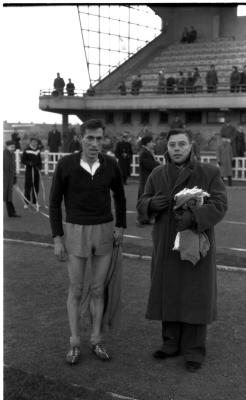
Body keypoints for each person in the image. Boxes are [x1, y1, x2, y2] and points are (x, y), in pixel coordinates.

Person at [137, 128, 227, 372]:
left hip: (196, 245)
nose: (176, 149)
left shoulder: (208, 172)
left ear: (191, 146)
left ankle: (194, 351)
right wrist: (150, 205)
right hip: (166, 244)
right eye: (172, 145)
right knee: (170, 292)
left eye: (181, 144)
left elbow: (220, 204)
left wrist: (194, 217)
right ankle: (170, 344)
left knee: (195, 295)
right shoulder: (157, 173)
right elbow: (141, 203)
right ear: (166, 148)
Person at [49, 119, 126, 365]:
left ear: (104, 139)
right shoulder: (66, 164)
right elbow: (54, 202)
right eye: (90, 138)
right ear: (81, 138)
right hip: (75, 231)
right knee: (76, 289)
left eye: (99, 138)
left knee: (97, 289)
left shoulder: (111, 164)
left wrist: (120, 226)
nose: (95, 143)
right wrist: (57, 238)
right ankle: (74, 342)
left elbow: (121, 197)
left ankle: (96, 339)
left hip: (103, 229)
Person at [136, 136, 160, 225]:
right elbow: (149, 165)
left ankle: (148, 218)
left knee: (148, 199)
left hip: (147, 179)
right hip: (146, 180)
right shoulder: (144, 153)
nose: (153, 143)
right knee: (145, 199)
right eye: (151, 142)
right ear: (147, 143)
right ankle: (142, 219)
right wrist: (158, 163)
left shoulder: (147, 152)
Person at [21, 138, 42, 208]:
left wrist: (40, 167)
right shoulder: (27, 150)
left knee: (36, 187)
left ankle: (34, 202)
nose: (35, 143)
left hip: (36, 171)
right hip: (29, 171)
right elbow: (23, 160)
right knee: (28, 187)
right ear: (31, 142)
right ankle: (26, 203)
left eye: (36, 142)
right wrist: (29, 163)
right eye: (34, 142)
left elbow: (39, 160)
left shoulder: (38, 150)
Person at [3, 140, 21, 218]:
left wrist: (14, 177)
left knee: (8, 196)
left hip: (9, 178)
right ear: (7, 146)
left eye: (14, 147)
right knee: (6, 196)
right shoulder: (3, 154)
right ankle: (12, 212)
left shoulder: (12, 154)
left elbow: (13, 167)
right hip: (4, 179)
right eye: (11, 147)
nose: (13, 148)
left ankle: (11, 212)